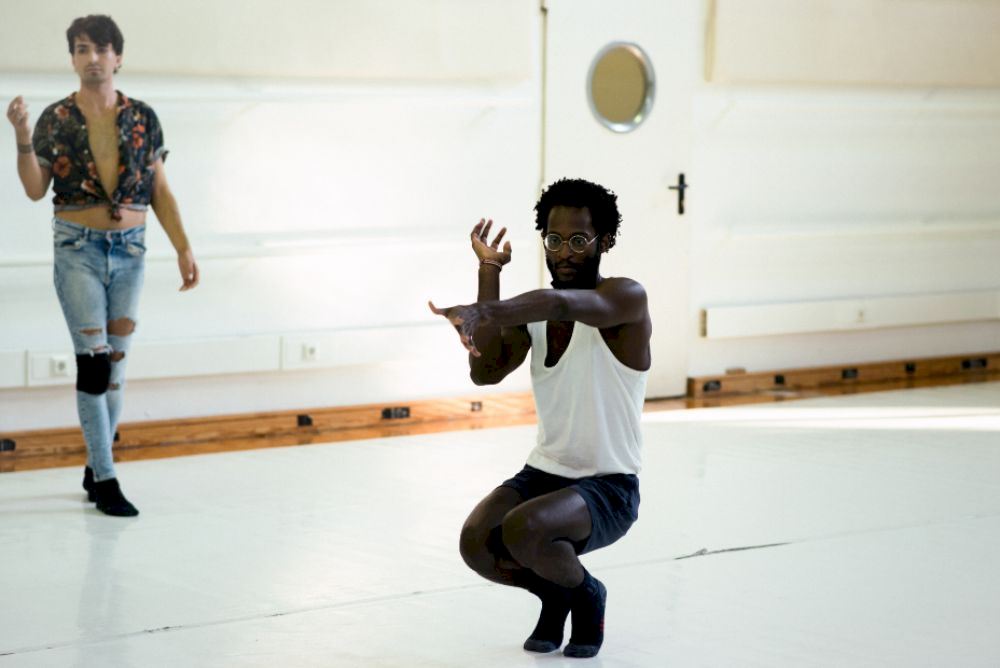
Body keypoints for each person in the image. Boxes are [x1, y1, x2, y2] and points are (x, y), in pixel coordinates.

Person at [429, 178, 651, 658]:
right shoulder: (533, 313)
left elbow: (562, 302)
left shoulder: (625, 299)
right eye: (553, 240)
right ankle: (556, 594)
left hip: (609, 487)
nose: (564, 253)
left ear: (606, 241)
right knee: (477, 542)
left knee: (525, 528)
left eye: (579, 240)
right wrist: (489, 270)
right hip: (545, 473)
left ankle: (587, 595)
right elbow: (485, 372)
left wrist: (484, 310)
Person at [6, 15, 199, 517]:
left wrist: (183, 246)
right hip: (78, 249)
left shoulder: (143, 118)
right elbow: (34, 189)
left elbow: (160, 191)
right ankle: (108, 480)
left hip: (131, 251)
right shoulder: (55, 118)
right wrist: (22, 136)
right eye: (81, 49)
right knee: (93, 364)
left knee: (115, 369)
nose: (91, 58)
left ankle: (96, 465)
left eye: (100, 49)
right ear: (72, 58)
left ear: (118, 57)